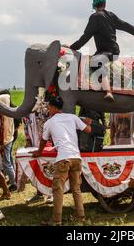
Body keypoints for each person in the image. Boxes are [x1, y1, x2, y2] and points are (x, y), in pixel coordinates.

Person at [70, 0, 134, 102]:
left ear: (94, 6)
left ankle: (108, 91)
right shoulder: (111, 15)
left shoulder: (94, 17)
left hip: (106, 52)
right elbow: (124, 25)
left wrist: (73, 47)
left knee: (94, 62)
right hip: (114, 51)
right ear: (105, 4)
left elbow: (85, 37)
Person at [33, 96, 92, 226]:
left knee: (57, 189)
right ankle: (81, 217)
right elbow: (88, 130)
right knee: (76, 189)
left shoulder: (50, 122)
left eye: (49, 107)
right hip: (76, 157)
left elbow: (43, 140)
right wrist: (88, 123)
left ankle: (56, 220)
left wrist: (38, 152)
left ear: (53, 108)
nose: (48, 109)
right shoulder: (72, 117)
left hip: (63, 158)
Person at [0, 93, 17, 192]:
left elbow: (4, 130)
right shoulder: (10, 111)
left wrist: (2, 143)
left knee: (6, 163)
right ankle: (13, 181)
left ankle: (13, 183)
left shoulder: (4, 114)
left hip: (5, 140)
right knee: (9, 161)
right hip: (10, 138)